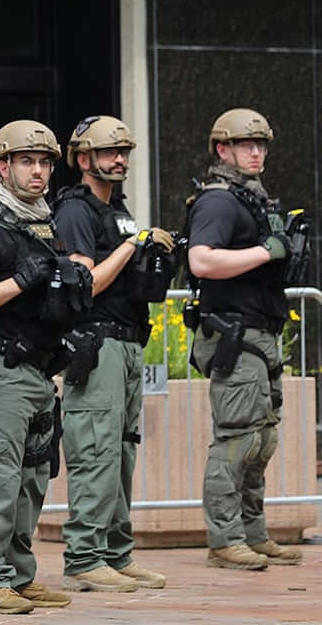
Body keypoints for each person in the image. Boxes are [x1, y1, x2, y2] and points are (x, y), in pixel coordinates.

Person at [0, 120, 89, 614]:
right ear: (3, 166)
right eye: (27, 161)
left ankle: (19, 576)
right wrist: (18, 283)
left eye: (46, 162)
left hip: (38, 373)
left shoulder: (45, 226)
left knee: (31, 480)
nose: (39, 171)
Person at [51, 116, 171, 592]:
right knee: (95, 450)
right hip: (95, 342)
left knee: (122, 451)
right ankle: (84, 557)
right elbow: (86, 284)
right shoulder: (76, 211)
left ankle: (116, 554)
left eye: (124, 152)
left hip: (126, 341)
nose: (119, 160)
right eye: (108, 152)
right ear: (84, 159)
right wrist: (131, 246)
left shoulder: (118, 208)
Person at [183, 107, 306, 569]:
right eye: (245, 145)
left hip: (260, 331)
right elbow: (201, 261)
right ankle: (224, 538)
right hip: (235, 334)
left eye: (261, 145)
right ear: (223, 150)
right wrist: (264, 251)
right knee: (236, 439)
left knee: (263, 439)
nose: (256, 152)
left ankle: (253, 533)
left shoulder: (252, 198)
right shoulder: (218, 201)